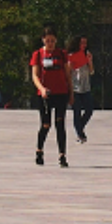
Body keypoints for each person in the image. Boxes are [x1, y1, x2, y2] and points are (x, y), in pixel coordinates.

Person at [30, 27, 70, 167]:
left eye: (52, 40)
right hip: (45, 94)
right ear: (43, 40)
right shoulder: (38, 54)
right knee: (46, 125)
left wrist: (71, 92)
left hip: (61, 93)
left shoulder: (62, 54)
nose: (50, 43)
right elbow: (35, 75)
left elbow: (67, 74)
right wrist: (41, 89)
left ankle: (62, 155)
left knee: (60, 124)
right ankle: (39, 151)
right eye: (47, 41)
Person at [67, 36, 95, 143]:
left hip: (86, 87)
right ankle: (80, 134)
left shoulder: (86, 55)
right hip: (75, 88)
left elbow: (91, 72)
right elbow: (68, 73)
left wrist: (90, 61)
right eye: (82, 43)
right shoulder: (71, 56)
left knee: (89, 110)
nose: (84, 45)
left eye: (85, 43)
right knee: (77, 112)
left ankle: (79, 128)